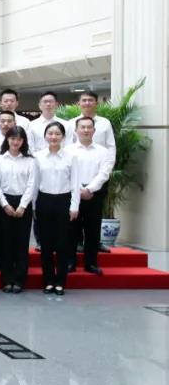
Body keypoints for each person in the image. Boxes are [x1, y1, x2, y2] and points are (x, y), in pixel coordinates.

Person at [35, 122, 80, 296]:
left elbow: (75, 183)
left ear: (63, 137)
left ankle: (60, 281)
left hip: (64, 201)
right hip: (44, 201)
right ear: (45, 136)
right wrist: (33, 206)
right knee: (45, 244)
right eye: (50, 133)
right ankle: (48, 281)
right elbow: (35, 184)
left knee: (63, 244)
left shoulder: (71, 157)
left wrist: (74, 205)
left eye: (57, 134)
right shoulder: (38, 157)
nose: (53, 137)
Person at [65, 117, 114, 275]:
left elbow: (104, 173)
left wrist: (89, 189)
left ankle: (91, 263)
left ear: (94, 130)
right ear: (76, 130)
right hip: (73, 193)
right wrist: (79, 189)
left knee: (93, 230)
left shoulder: (103, 151)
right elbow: (67, 172)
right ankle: (70, 262)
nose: (86, 130)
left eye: (89, 127)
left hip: (94, 193)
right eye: (82, 127)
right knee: (71, 230)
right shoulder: (67, 150)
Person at [0, 127, 37, 294]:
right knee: (4, 243)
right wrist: (5, 205)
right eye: (12, 138)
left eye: (19, 139)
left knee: (21, 243)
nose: (15, 142)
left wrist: (22, 206)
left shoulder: (30, 161)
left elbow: (31, 185)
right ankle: (7, 280)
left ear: (23, 141)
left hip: (23, 204)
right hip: (3, 203)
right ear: (7, 139)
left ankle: (19, 280)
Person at [67, 90, 116, 159]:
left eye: (90, 100)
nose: (87, 103)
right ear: (78, 103)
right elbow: (68, 145)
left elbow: (111, 146)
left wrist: (109, 163)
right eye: (84, 100)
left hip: (100, 161)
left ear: (96, 103)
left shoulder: (105, 122)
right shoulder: (71, 123)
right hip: (77, 162)